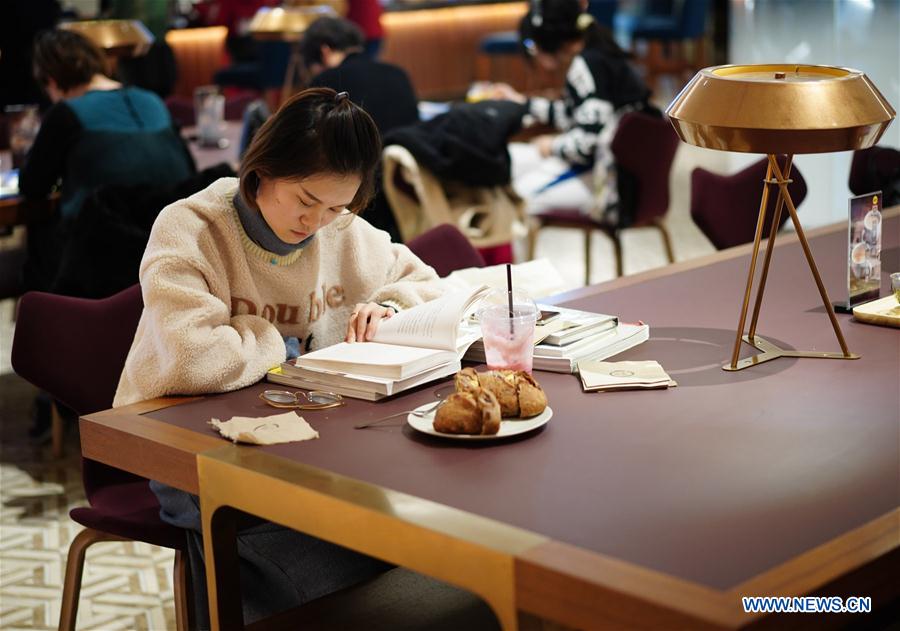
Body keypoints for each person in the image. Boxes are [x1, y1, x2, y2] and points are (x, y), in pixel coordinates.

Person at [113, 87, 445, 626]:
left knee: (412, 529)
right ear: (262, 170)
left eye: (338, 206)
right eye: (306, 200)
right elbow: (191, 356)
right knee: (345, 550)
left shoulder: (342, 228)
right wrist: (281, 345)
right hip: (195, 453)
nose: (316, 222)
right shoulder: (192, 228)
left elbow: (428, 284)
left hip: (320, 445)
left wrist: (389, 306)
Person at [19, 28, 195, 292]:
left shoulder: (66, 113)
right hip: (174, 247)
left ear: (52, 80)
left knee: (40, 234)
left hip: (102, 258)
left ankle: (47, 322)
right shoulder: (154, 101)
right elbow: (189, 172)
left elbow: (32, 185)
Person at [493, 0, 654, 225]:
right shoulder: (598, 53)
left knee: (514, 197)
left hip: (611, 183)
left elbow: (588, 143)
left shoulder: (586, 67)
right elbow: (580, 115)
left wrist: (553, 146)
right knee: (513, 160)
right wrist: (523, 104)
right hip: (628, 175)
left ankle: (516, 261)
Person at [303, 16, 418, 137]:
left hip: (365, 155)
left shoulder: (325, 81)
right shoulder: (398, 72)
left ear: (324, 51)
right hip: (405, 151)